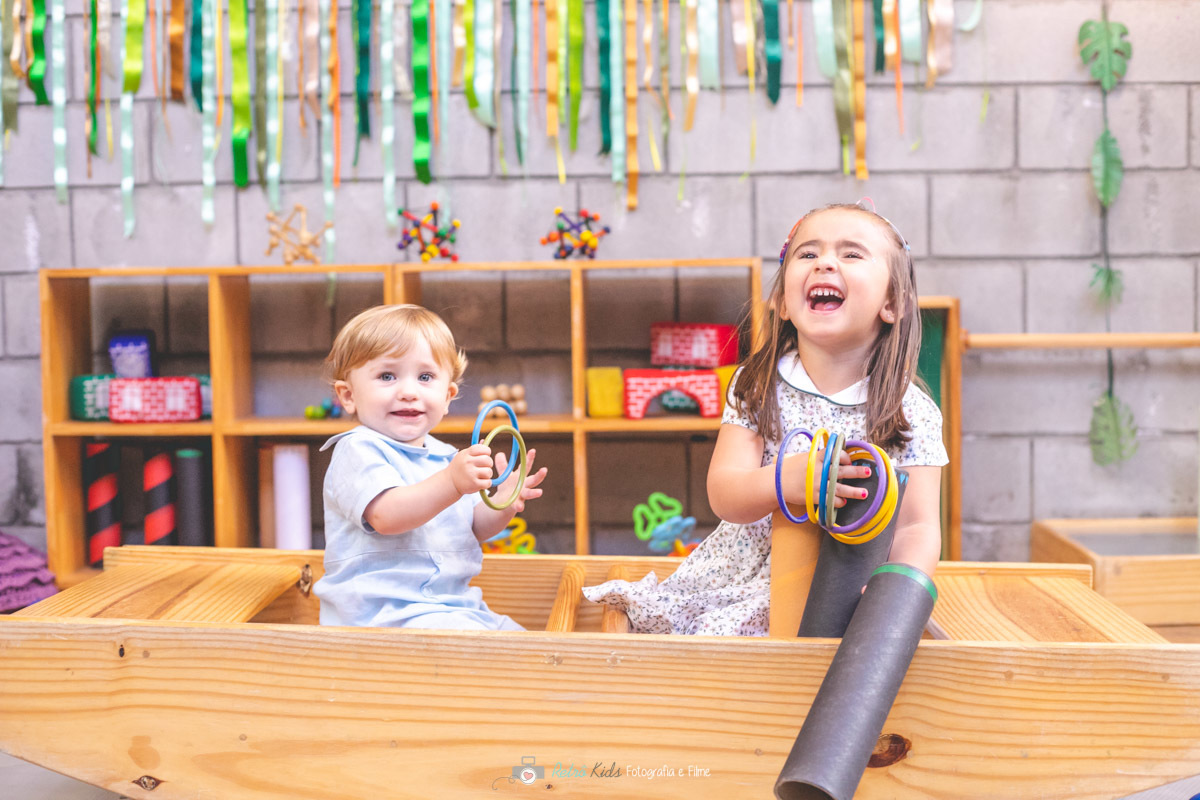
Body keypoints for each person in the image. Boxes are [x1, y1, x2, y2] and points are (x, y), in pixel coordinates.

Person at [583, 201, 947, 635]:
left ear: (893, 302)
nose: (825, 263)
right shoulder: (757, 384)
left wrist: (897, 588)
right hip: (745, 582)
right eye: (808, 254)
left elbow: (919, 525)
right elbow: (724, 493)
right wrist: (787, 480)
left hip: (849, 586)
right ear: (782, 302)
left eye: (850, 254)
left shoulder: (911, 411)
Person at [314, 304, 548, 629]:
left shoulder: (447, 457)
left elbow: (475, 527)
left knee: (523, 642)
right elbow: (387, 516)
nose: (409, 392)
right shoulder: (357, 450)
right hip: (381, 615)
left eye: (425, 377)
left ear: (448, 396)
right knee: (500, 656)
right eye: (387, 376)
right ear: (348, 396)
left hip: (453, 606)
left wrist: (506, 501)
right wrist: (452, 483)